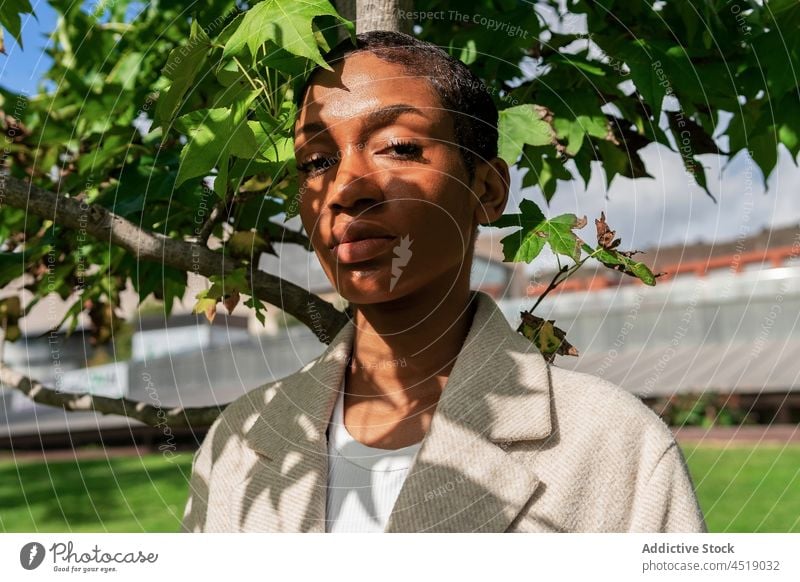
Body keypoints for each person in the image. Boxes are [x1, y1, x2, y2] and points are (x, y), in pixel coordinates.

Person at [181, 30, 707, 533]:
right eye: (316, 161)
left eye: (397, 147)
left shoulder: (616, 445)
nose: (344, 189)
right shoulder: (240, 440)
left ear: (487, 188)